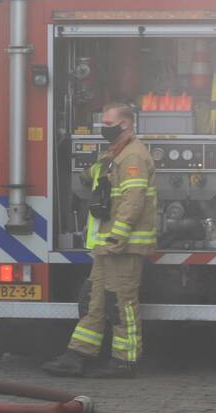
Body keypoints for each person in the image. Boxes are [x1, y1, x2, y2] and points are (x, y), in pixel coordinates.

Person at [42, 102, 156, 379]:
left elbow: (133, 200)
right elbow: (94, 176)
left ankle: (125, 360)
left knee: (120, 302)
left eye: (108, 124)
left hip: (124, 245)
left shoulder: (133, 157)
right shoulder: (112, 156)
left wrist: (119, 233)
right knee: (93, 300)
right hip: (106, 246)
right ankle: (79, 354)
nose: (103, 128)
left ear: (125, 124)